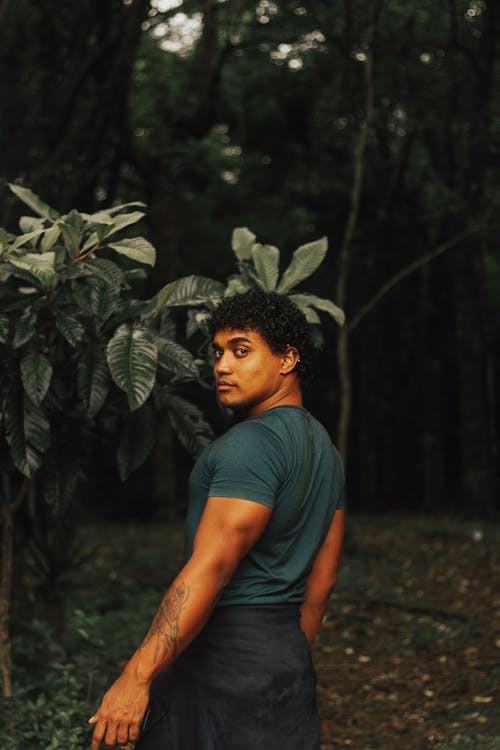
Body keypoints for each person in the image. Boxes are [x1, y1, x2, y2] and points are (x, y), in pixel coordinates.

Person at [89, 289, 345, 750]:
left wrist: (137, 674)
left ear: (287, 359)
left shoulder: (249, 446)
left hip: (221, 655)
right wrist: (280, 659)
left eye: (241, 351)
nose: (222, 366)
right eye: (219, 352)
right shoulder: (326, 451)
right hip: (285, 657)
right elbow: (322, 582)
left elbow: (212, 567)